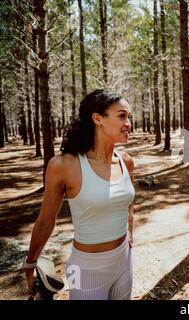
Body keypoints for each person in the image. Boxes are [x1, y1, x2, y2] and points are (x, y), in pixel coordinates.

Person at [23, 89, 135, 300]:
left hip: (124, 262)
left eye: (129, 117)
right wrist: (30, 263)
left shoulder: (126, 161)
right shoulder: (63, 165)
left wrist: (130, 233)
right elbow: (46, 221)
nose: (128, 123)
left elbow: (127, 202)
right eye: (122, 116)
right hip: (84, 270)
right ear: (97, 118)